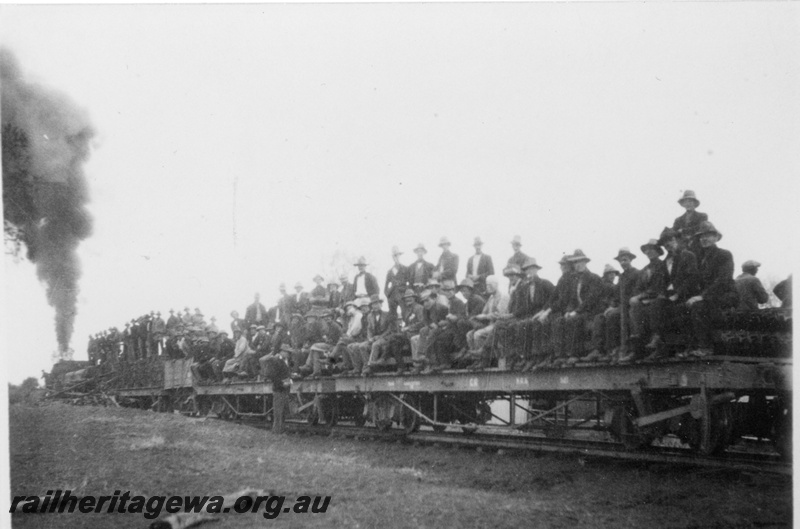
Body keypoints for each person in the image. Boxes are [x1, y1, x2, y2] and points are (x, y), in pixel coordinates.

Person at [643, 227, 700, 360]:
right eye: (665, 242)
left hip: (687, 293)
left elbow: (692, 278)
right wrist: (663, 294)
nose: (668, 244)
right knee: (656, 305)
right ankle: (659, 342)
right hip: (672, 295)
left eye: (670, 240)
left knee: (678, 311)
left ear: (676, 240)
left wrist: (678, 294)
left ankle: (687, 347)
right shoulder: (667, 261)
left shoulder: (687, 256)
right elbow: (664, 281)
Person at [685, 221, 738, 358]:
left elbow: (723, 279)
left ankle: (706, 347)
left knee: (698, 306)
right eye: (701, 236)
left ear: (716, 238)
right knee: (682, 307)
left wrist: (702, 296)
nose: (704, 238)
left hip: (726, 295)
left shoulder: (724, 254)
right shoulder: (699, 258)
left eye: (708, 235)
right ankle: (689, 347)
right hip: (708, 296)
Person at [552, 250, 604, 365]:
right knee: (559, 321)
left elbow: (591, 299)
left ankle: (575, 354)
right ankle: (561, 355)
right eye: (575, 262)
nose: (577, 265)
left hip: (592, 311)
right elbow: (572, 300)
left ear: (585, 262)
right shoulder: (575, 280)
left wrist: (576, 312)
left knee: (574, 320)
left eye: (580, 261)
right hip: (579, 311)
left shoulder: (594, 278)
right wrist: (569, 311)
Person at [621, 240, 668, 363]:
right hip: (645, 299)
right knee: (633, 305)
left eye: (652, 249)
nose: (649, 252)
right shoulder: (645, 269)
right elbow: (638, 288)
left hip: (659, 297)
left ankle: (655, 342)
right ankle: (637, 346)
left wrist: (643, 296)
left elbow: (660, 286)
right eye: (647, 250)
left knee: (642, 303)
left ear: (658, 251)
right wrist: (640, 296)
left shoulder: (663, 266)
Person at [464, 276, 510, 370]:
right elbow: (484, 312)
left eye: (491, 284)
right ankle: (476, 360)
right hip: (490, 324)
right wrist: (477, 317)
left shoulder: (504, 296)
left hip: (499, 324)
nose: (488, 287)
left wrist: (484, 316)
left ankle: (484, 361)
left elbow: (498, 314)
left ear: (496, 285)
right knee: (469, 334)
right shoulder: (491, 298)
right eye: (487, 284)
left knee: (478, 334)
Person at [409, 289, 450, 374]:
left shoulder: (442, 308)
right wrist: (431, 324)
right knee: (423, 330)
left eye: (427, 301)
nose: (425, 304)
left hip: (444, 329)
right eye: (423, 302)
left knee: (432, 333)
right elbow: (426, 321)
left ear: (434, 299)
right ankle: (420, 355)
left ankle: (426, 355)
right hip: (434, 328)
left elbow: (448, 321)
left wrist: (438, 325)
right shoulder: (425, 309)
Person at [361, 295, 396, 375]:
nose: (375, 306)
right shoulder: (369, 316)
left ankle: (371, 366)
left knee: (375, 345)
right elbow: (369, 329)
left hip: (384, 337)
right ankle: (366, 366)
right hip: (374, 338)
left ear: (381, 304)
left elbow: (389, 329)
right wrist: (370, 338)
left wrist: (380, 337)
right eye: (373, 304)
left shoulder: (387, 314)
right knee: (362, 346)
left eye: (377, 304)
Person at [262, 347, 292, 434]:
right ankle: (277, 431)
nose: (288, 355)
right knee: (278, 411)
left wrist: (289, 381)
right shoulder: (275, 360)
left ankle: (280, 430)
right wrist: (283, 383)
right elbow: (273, 376)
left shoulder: (283, 361)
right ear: (282, 352)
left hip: (283, 389)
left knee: (281, 411)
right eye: (287, 352)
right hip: (279, 389)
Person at [672, 190, 708, 254]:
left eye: (690, 201)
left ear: (695, 203)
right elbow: (674, 233)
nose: (688, 204)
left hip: (698, 248)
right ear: (683, 204)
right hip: (683, 249)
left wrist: (683, 231)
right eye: (686, 202)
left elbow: (701, 228)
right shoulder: (678, 220)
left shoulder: (702, 216)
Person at [384, 246, 409, 318]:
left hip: (402, 294)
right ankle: (394, 329)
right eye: (394, 256)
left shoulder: (405, 269)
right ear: (392, 257)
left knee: (405, 312)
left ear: (399, 256)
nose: (395, 257)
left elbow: (409, 283)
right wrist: (388, 295)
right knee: (392, 315)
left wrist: (405, 291)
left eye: (397, 255)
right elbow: (385, 287)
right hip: (392, 296)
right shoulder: (390, 271)